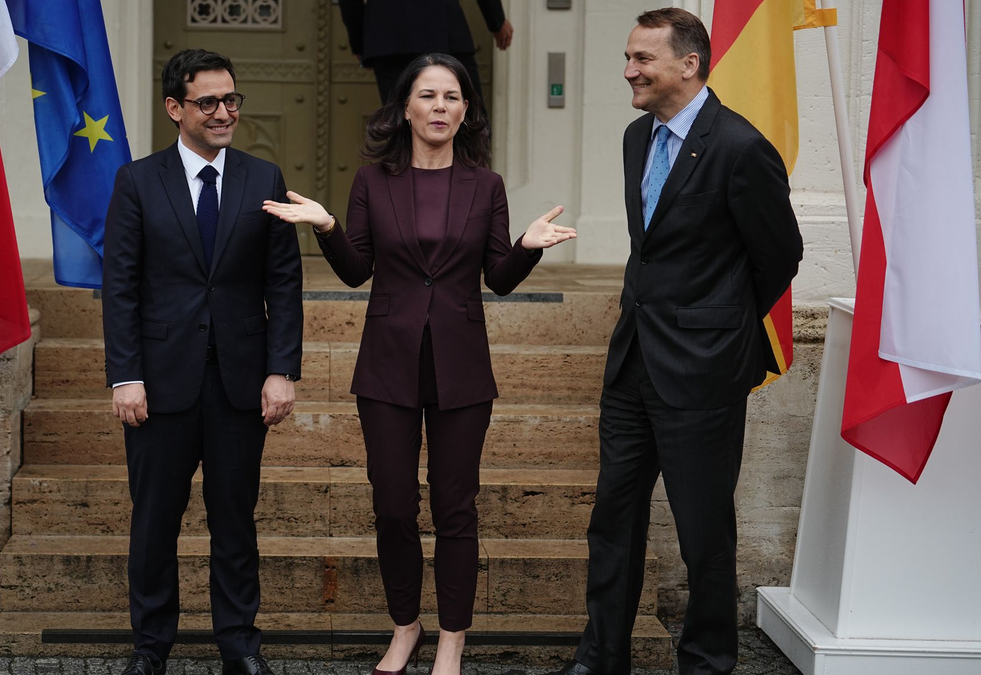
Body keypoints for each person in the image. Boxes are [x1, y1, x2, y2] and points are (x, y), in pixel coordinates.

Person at [262, 52, 575, 675]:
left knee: (455, 506)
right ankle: (406, 628)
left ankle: (453, 638)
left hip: (461, 366)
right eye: (428, 96)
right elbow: (356, 272)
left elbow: (500, 279)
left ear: (465, 112)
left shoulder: (485, 186)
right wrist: (325, 227)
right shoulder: (373, 181)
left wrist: (526, 249)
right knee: (393, 505)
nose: (440, 107)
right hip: (387, 365)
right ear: (404, 107)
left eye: (452, 97)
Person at [546, 9, 803, 675]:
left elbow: (779, 256)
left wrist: (718, 328)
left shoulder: (741, 148)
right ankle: (600, 658)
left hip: (703, 372)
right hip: (634, 361)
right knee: (613, 522)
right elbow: (651, 249)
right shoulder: (637, 138)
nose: (628, 70)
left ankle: (707, 662)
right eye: (628, 57)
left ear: (688, 64)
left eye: (641, 59)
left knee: (702, 534)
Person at [102, 49, 303, 675]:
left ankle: (239, 645)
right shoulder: (137, 181)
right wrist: (126, 375)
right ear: (175, 108)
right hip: (159, 385)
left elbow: (284, 282)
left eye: (232, 100)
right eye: (208, 102)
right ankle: (150, 647)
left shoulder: (262, 178)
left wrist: (281, 369)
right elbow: (121, 287)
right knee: (155, 521)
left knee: (235, 522)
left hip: (240, 383)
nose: (224, 112)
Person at [338, 0, 513, 105]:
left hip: (388, 38)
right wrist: (496, 21)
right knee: (469, 131)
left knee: (402, 136)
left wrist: (360, 42)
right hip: (444, 32)